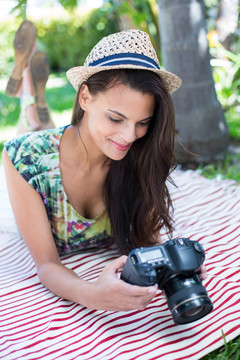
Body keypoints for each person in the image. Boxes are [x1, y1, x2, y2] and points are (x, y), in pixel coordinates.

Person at [3, 25, 206, 312]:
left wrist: (173, 267)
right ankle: (31, 99)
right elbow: (47, 264)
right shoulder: (24, 160)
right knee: (33, 131)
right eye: (115, 118)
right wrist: (92, 295)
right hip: (46, 152)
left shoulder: (140, 156)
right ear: (84, 97)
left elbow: (146, 237)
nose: (128, 136)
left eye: (143, 122)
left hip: (77, 141)